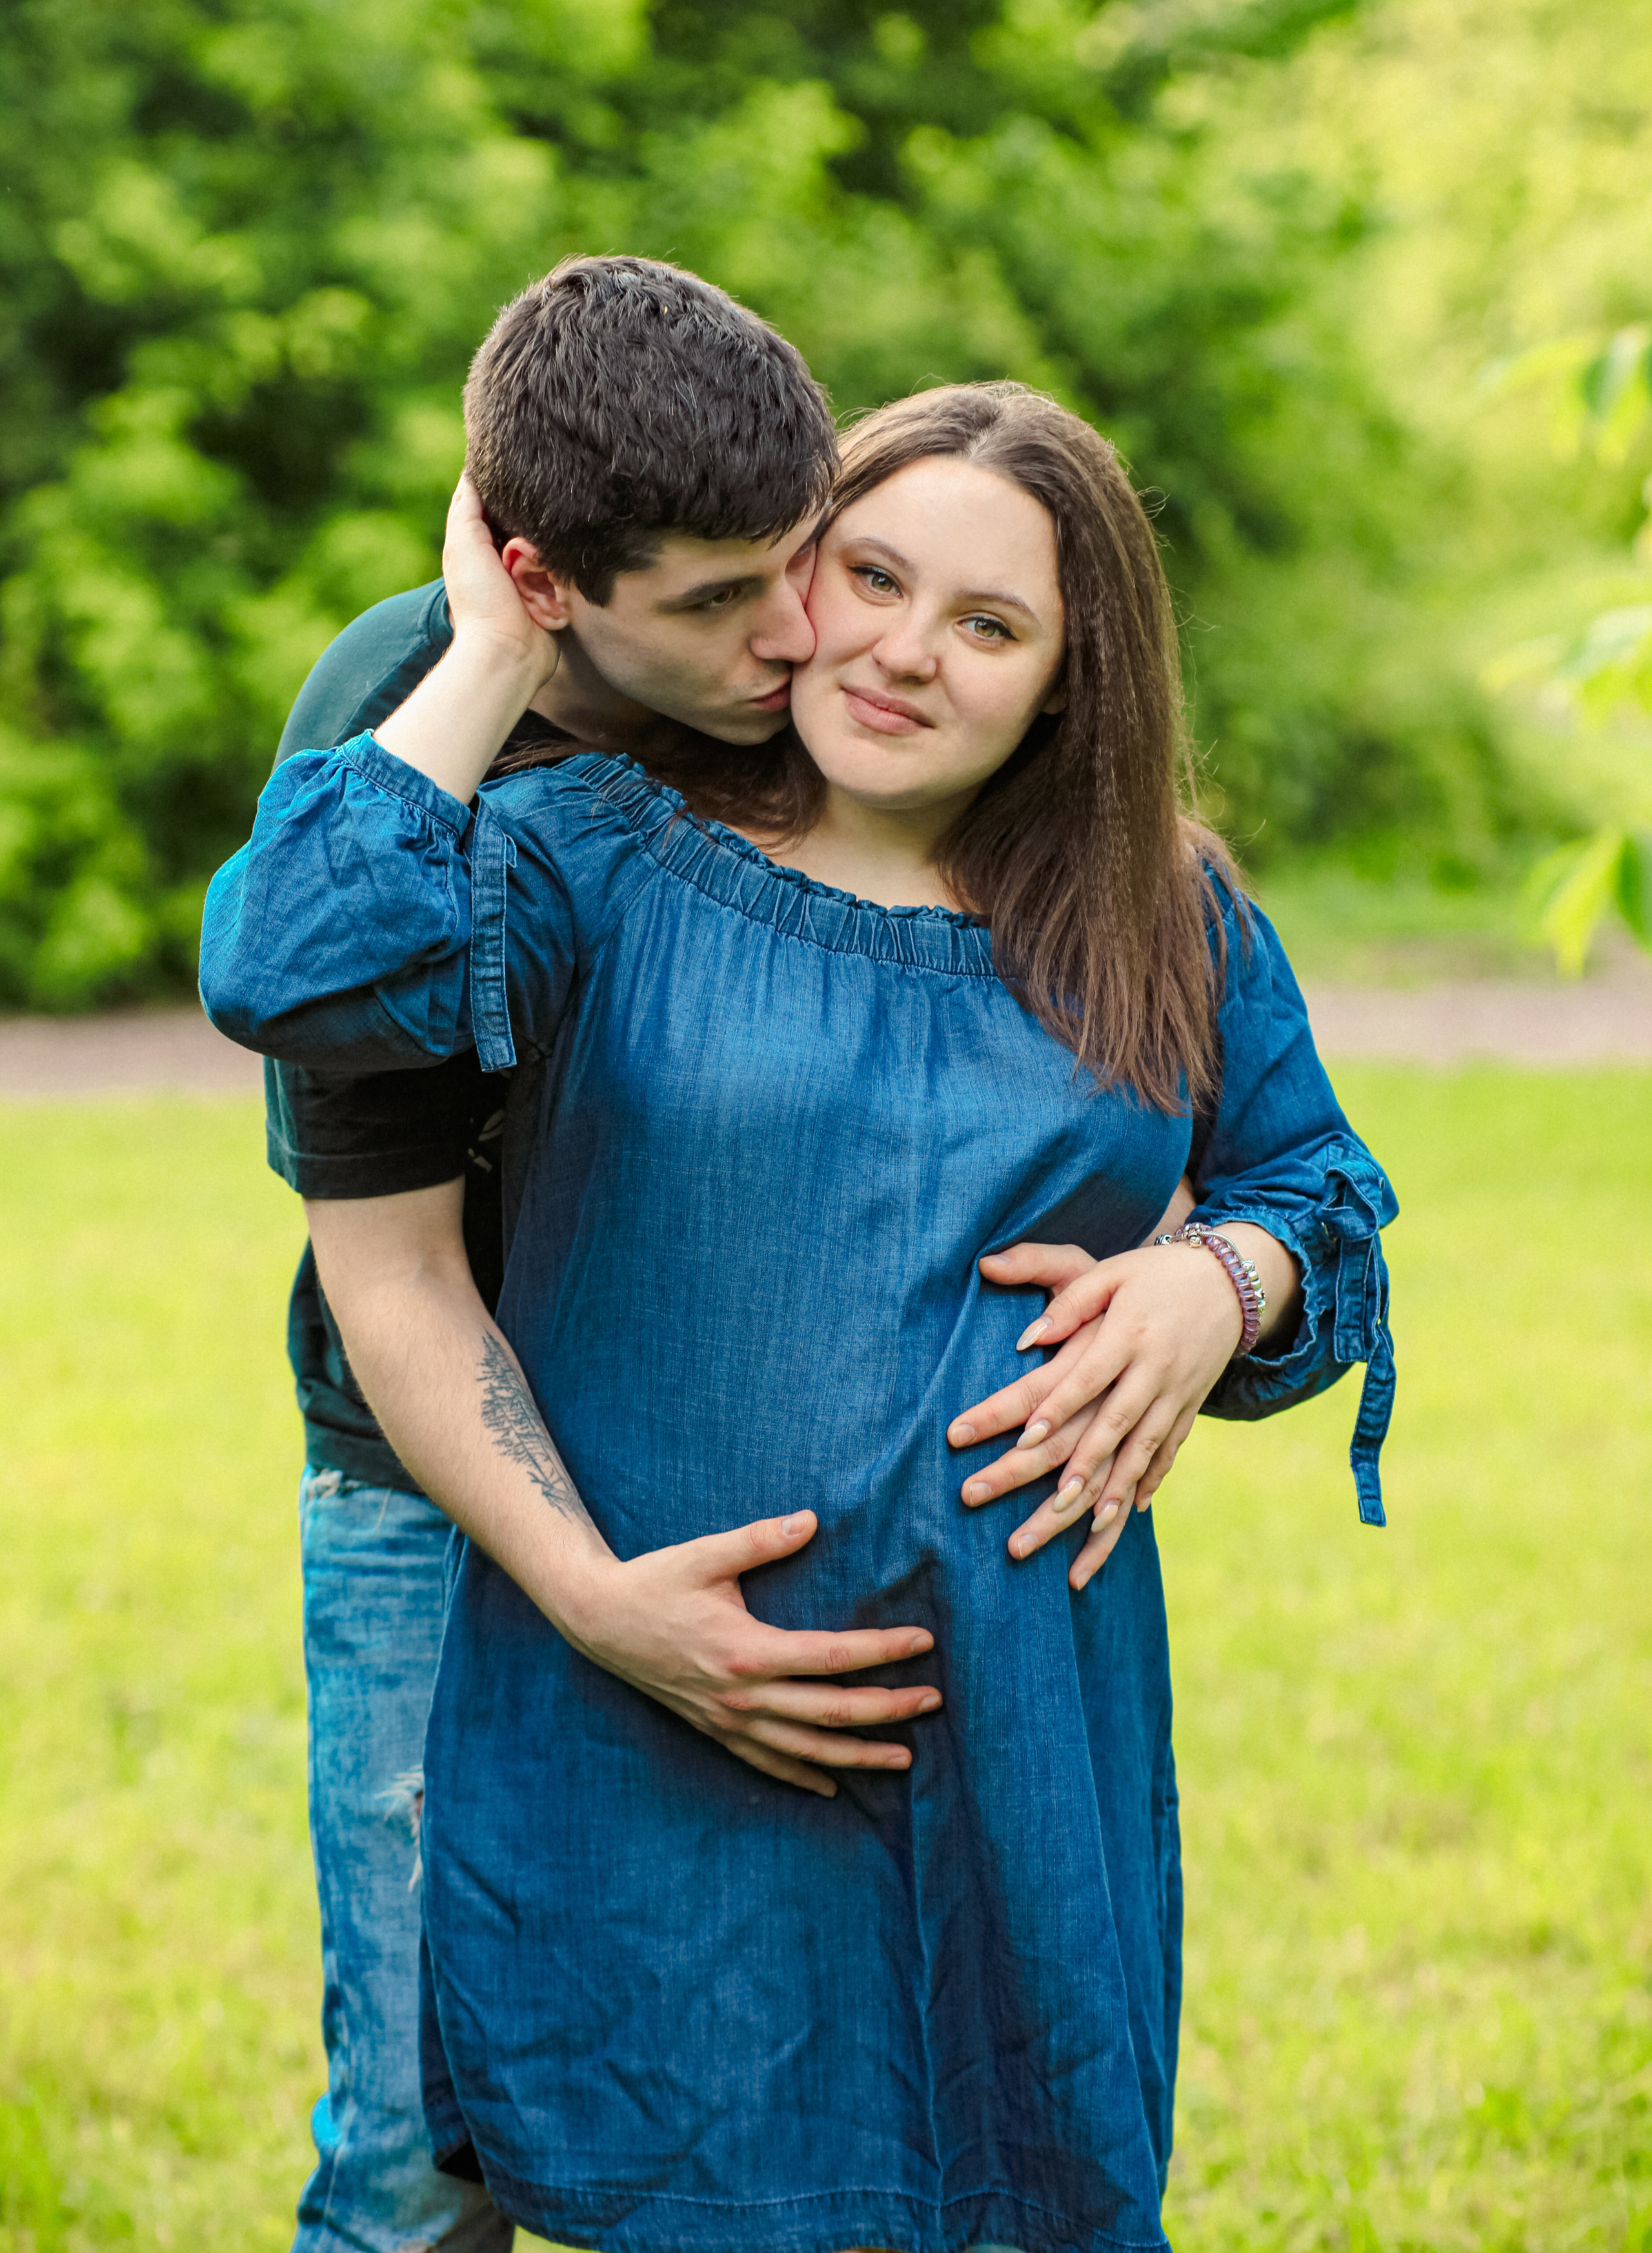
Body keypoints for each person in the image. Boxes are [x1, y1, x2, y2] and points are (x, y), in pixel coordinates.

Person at [205, 378, 1396, 2251]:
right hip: (632, 1663)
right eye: (875, 575)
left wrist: (1215, 1280)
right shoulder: (593, 849)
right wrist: (502, 631)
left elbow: (1319, 1198)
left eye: (992, 624)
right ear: (793, 582)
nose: (911, 652)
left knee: (973, 2180)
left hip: (1005, 1710)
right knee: (478, 2175)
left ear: (1073, 681)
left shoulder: (1159, 912)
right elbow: (292, 958)